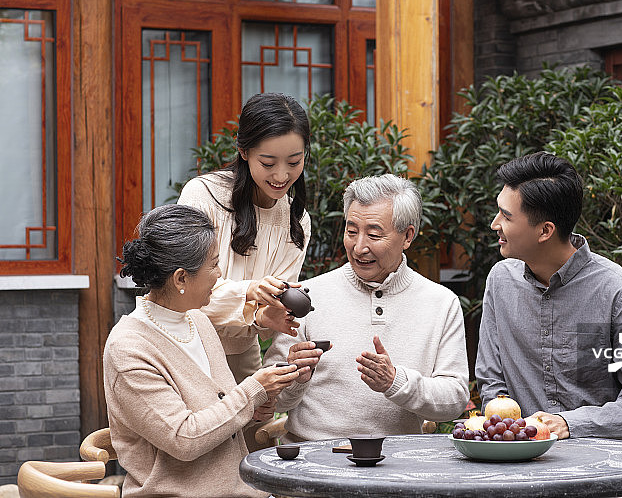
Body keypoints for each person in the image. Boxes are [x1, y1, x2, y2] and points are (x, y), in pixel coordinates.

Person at [104, 204, 303, 497]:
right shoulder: (129, 349)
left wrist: (263, 402)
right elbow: (185, 438)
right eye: (213, 264)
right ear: (181, 278)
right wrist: (252, 391)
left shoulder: (198, 321)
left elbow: (222, 413)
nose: (220, 273)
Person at [263, 174, 470, 441]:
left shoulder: (441, 303)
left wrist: (395, 382)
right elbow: (271, 400)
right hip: (313, 460)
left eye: (373, 234)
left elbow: (453, 400)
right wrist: (295, 378)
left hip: (396, 467)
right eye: (351, 231)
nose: (359, 247)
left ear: (407, 236)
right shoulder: (307, 296)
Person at [475, 152, 622, 442]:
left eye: (506, 216)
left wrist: (570, 424)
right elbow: (491, 381)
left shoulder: (621, 295)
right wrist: (510, 434)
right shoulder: (501, 281)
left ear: (545, 230)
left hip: (597, 469)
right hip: (514, 465)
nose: (494, 223)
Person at [178, 92, 312, 384]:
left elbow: (269, 310)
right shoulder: (203, 197)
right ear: (243, 151)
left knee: (254, 425)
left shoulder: (296, 220)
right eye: (267, 162)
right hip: (185, 348)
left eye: (294, 161)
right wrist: (250, 291)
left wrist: (268, 314)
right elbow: (184, 291)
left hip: (242, 354)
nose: (281, 174)